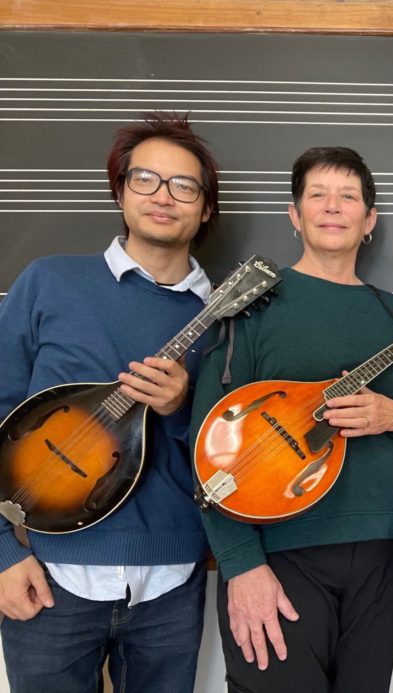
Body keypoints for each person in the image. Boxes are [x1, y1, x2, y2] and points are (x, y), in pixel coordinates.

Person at [191, 146, 393, 692]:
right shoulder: (253, 306)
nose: (332, 206)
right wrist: (241, 565)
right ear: (294, 214)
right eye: (317, 195)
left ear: (370, 220)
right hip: (279, 555)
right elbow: (207, 443)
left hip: (383, 554)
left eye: (348, 197)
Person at [0, 111, 220, 692]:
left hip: (173, 580)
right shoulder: (48, 283)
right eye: (145, 179)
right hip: (46, 572)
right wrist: (0, 555)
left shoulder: (228, 320)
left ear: (205, 208)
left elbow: (236, 456)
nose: (164, 196)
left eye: (184, 185)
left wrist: (182, 408)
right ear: (120, 192)